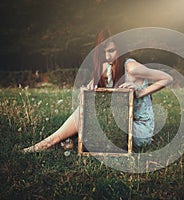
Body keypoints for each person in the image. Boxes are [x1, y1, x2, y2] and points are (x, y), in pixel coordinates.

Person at [23, 29, 173, 153]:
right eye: (103, 52)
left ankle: (48, 144)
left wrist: (140, 92)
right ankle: (58, 142)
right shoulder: (107, 67)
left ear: (119, 49)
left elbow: (167, 78)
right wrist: (89, 90)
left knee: (91, 122)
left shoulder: (131, 67)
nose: (107, 56)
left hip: (139, 129)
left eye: (112, 51)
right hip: (121, 123)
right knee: (86, 112)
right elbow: (96, 100)